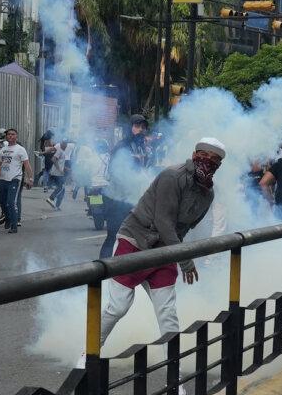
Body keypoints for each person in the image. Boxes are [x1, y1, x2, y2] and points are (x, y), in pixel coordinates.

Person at [85, 139, 226, 375]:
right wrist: (185, 259)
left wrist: (189, 255)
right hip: (135, 244)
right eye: (205, 156)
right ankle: (87, 355)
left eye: (215, 160)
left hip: (164, 253)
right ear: (194, 154)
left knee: (167, 315)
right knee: (118, 307)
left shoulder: (208, 194)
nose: (208, 163)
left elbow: (186, 229)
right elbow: (163, 222)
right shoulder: (173, 176)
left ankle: (174, 370)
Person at [99, 116, 151, 258]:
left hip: (131, 200)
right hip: (116, 199)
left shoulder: (140, 146)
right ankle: (102, 274)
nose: (141, 130)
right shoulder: (122, 146)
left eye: (143, 127)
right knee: (113, 237)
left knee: (128, 239)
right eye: (137, 126)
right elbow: (115, 173)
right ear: (130, 127)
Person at [0, 128, 31, 233]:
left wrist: (30, 178)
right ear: (6, 136)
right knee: (2, 202)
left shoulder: (20, 149)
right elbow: (0, 166)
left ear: (16, 136)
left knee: (11, 202)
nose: (10, 136)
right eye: (9, 134)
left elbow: (27, 164)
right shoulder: (2, 150)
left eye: (13, 134)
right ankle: (8, 218)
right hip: (3, 179)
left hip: (15, 179)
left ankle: (14, 226)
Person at [44, 138, 75, 211]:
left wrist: (67, 169)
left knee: (62, 189)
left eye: (65, 143)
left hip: (58, 173)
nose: (64, 144)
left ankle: (57, 206)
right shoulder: (60, 150)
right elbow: (53, 159)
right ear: (61, 143)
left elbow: (61, 163)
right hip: (57, 174)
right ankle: (51, 198)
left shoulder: (63, 151)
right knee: (61, 187)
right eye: (63, 143)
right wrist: (59, 169)